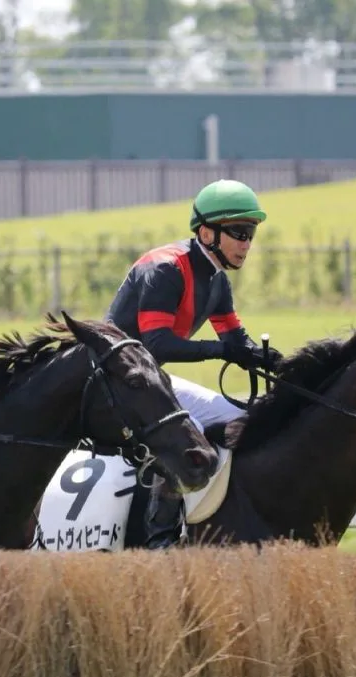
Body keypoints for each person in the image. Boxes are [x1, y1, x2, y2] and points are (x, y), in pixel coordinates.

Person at [105, 178, 284, 549]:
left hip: (149, 379)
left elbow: (236, 341)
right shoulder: (166, 269)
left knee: (236, 420)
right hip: (117, 379)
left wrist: (277, 362)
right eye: (238, 232)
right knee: (190, 433)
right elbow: (156, 342)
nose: (246, 243)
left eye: (250, 233)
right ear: (206, 233)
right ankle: (160, 538)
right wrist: (223, 352)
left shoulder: (218, 280)